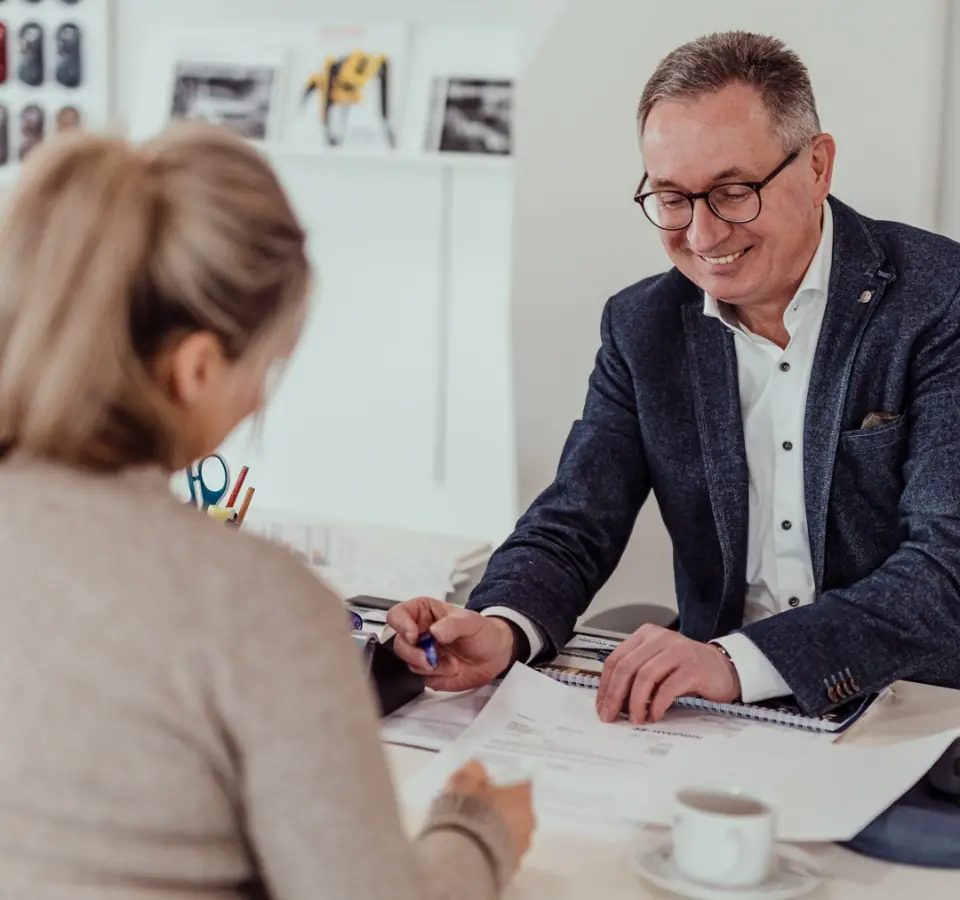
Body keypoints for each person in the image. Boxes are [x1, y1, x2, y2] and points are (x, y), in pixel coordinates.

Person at [0, 123, 534, 899]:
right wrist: (477, 830)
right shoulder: (256, 603)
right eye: (266, 368)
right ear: (196, 367)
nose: (256, 401)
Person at [388, 30, 960, 725]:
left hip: (912, 710)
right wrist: (502, 626)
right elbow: (575, 519)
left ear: (817, 166)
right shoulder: (643, 326)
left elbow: (943, 569)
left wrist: (735, 661)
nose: (703, 234)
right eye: (672, 198)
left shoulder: (939, 301)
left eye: (732, 191)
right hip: (715, 720)